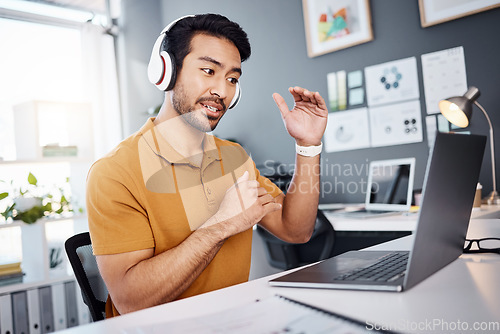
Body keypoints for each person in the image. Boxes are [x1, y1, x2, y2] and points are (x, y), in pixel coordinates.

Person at [86, 13, 328, 318]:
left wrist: (308, 146)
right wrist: (222, 225)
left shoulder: (234, 157)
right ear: (166, 71)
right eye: (208, 70)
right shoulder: (115, 172)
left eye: (232, 79)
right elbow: (132, 302)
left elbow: (297, 230)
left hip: (234, 321)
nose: (223, 91)